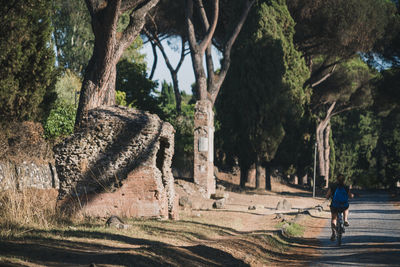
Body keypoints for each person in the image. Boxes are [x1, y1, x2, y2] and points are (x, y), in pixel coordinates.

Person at [325, 174, 354, 241]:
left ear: (337, 179)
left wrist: (328, 197)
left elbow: (327, 196)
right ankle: (345, 220)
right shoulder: (346, 187)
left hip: (335, 205)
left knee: (333, 218)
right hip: (343, 205)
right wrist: (352, 195)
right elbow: (350, 196)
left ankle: (333, 234)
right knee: (346, 208)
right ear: (344, 180)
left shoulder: (333, 186)